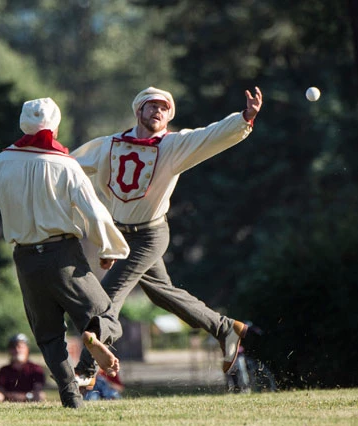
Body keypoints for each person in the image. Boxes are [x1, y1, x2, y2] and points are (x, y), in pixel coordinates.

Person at [0, 98, 130, 408]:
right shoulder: (65, 164)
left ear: (23, 124)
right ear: (55, 126)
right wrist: (108, 246)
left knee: (48, 336)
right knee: (104, 315)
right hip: (63, 256)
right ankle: (93, 336)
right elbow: (94, 212)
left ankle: (72, 399)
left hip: (25, 260)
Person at [70, 86, 263, 382]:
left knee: (108, 295)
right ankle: (226, 329)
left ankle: (86, 368)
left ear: (169, 115)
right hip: (122, 234)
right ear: (139, 111)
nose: (158, 111)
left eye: (164, 108)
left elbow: (209, 136)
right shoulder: (109, 145)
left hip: (150, 235)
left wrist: (244, 118)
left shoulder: (173, 145)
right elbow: (67, 167)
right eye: (152, 106)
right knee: (164, 295)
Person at [0, 333, 46, 403]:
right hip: (8, 399)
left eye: (20, 347)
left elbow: (38, 390)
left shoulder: (36, 369)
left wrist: (23, 396)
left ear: (27, 349)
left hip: (29, 399)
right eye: (14, 347)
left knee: (40, 395)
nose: (17, 350)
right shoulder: (4, 370)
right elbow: (0, 390)